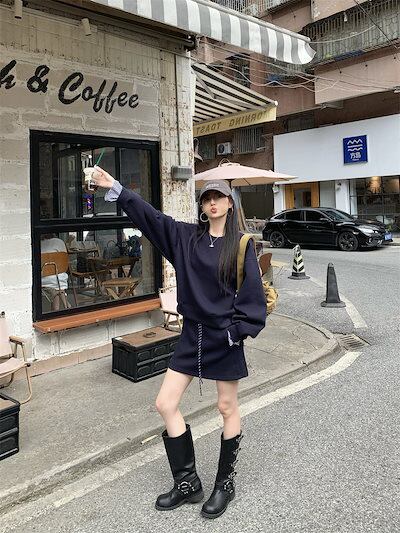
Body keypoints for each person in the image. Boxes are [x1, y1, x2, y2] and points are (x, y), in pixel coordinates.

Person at [92, 165, 266, 519]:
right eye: (207, 198)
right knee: (165, 403)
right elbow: (151, 218)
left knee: (226, 407)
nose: (213, 202)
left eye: (219, 197)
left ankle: (224, 485)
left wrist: (234, 333)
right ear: (202, 206)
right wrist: (117, 188)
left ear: (229, 203)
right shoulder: (187, 238)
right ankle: (188, 483)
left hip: (224, 338)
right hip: (192, 335)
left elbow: (253, 300)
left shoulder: (242, 245)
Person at [41, 234, 69, 310]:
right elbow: (64, 261)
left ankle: (56, 310)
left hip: (43, 278)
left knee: (55, 287)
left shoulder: (38, 243)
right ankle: (64, 306)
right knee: (58, 283)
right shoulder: (59, 242)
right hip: (59, 279)